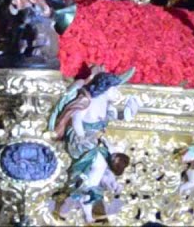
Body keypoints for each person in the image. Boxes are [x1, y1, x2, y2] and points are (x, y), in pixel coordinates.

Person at [49, 67, 142, 221]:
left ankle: (87, 193)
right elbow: (76, 120)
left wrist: (130, 110)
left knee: (107, 160)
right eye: (114, 89)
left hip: (95, 140)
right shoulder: (87, 101)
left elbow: (116, 116)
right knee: (100, 163)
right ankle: (85, 192)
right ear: (105, 88)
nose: (116, 93)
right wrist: (82, 137)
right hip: (80, 139)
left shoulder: (106, 104)